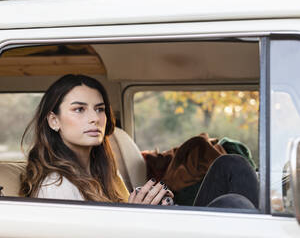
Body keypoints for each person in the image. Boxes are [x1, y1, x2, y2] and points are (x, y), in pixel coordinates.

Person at [20, 74, 258, 208]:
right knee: (233, 203)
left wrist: (156, 209)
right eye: (79, 110)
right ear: (54, 120)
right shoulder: (56, 186)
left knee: (231, 164)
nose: (94, 118)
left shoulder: (102, 170)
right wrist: (137, 214)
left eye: (100, 109)